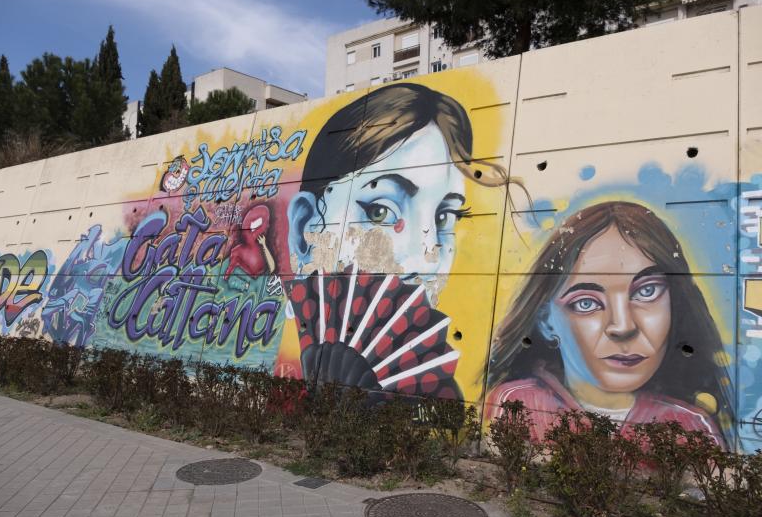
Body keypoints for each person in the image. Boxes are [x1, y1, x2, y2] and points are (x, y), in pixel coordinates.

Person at [282, 83, 522, 396]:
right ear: (304, 229)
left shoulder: (440, 399)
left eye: (444, 218)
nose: (426, 260)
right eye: (380, 211)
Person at [484, 201, 732, 446]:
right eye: (586, 303)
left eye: (647, 291)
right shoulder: (519, 403)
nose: (623, 327)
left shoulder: (692, 426)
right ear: (547, 323)